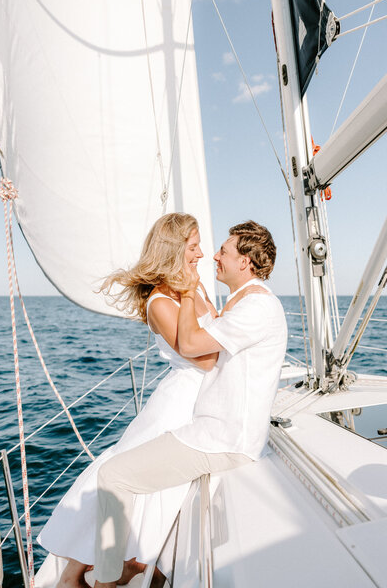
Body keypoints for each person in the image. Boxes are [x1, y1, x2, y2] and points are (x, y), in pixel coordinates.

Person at [93, 220, 288, 588]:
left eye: (224, 251)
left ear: (244, 262)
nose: (214, 255)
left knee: (112, 475)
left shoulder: (256, 307)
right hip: (216, 430)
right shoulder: (244, 301)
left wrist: (184, 293)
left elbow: (193, 346)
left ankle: (105, 581)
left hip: (222, 438)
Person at [37, 213, 218, 588]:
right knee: (134, 476)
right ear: (174, 249)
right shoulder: (162, 302)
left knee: (157, 485)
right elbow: (204, 357)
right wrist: (190, 295)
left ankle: (123, 563)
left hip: (204, 400)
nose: (201, 252)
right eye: (193, 245)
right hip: (179, 404)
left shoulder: (195, 289)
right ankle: (80, 571)